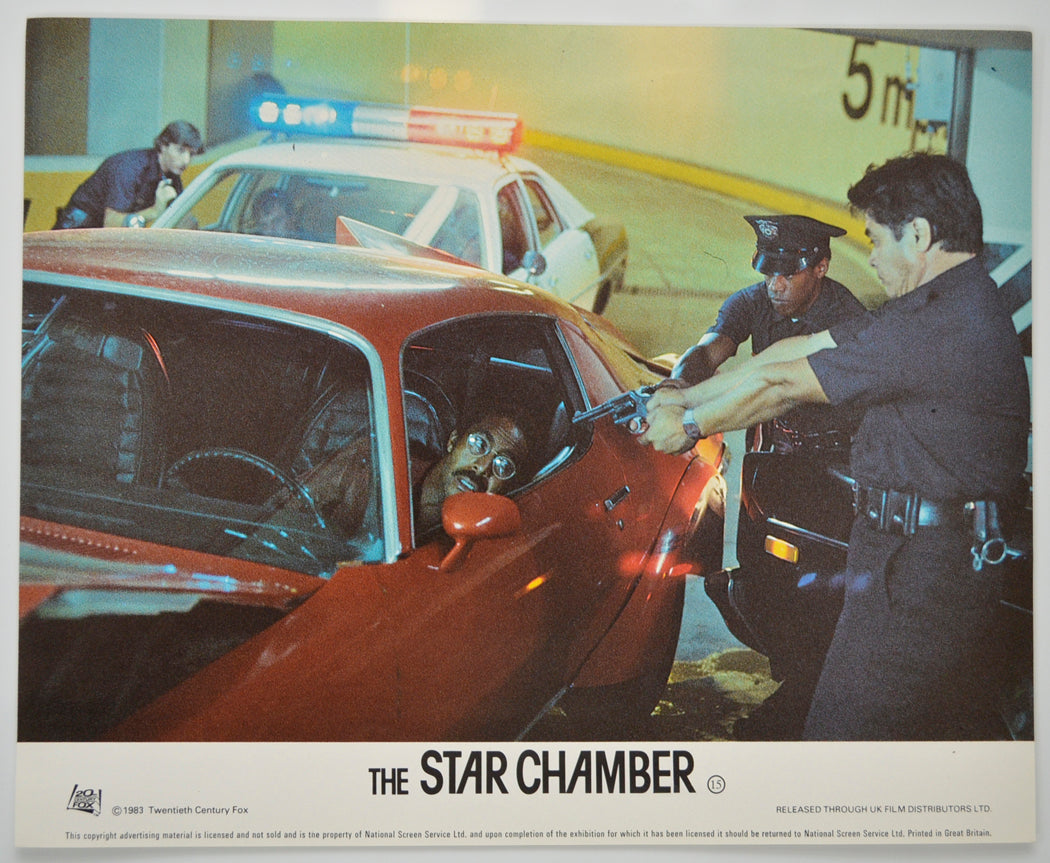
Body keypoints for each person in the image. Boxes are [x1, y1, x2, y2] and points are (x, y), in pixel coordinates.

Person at [640, 153, 1029, 740]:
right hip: (912, 554)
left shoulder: (939, 323)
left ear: (919, 235)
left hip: (921, 568)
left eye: (875, 239)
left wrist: (689, 425)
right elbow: (787, 353)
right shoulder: (940, 305)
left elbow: (782, 385)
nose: (870, 257)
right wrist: (681, 394)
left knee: (841, 740)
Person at [672, 214, 865, 452]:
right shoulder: (752, 301)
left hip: (836, 453)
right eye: (769, 273)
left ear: (820, 268)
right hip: (771, 445)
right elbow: (706, 351)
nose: (775, 285)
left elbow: (782, 390)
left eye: (788, 275)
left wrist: (693, 421)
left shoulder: (848, 319)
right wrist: (678, 387)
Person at [53, 120, 204, 229]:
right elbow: (111, 223)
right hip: (78, 224)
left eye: (191, 154)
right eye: (180, 150)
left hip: (101, 233)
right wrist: (155, 211)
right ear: (163, 145)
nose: (186, 160)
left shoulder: (172, 176)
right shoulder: (129, 168)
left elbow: (183, 217)